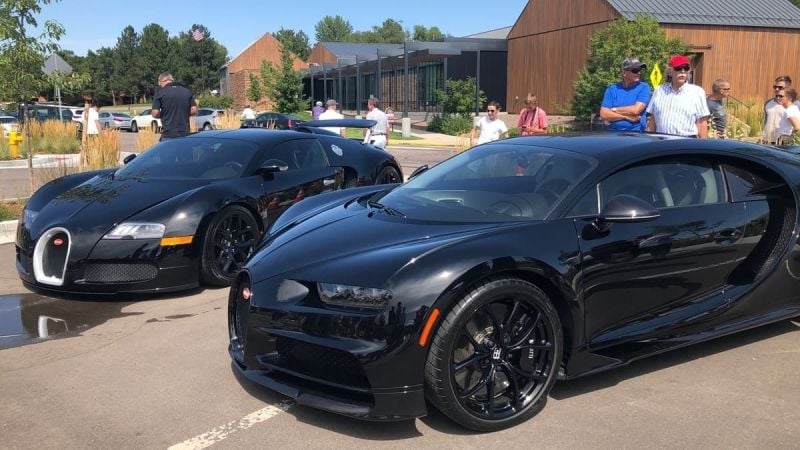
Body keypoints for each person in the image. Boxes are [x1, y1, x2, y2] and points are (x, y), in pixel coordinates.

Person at [646, 55, 710, 138]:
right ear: (670, 71)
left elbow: (702, 123)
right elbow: (652, 120)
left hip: (686, 142)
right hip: (661, 142)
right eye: (678, 68)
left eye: (686, 68)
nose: (682, 71)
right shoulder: (659, 90)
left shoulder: (697, 92)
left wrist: (703, 148)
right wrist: (648, 141)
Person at [599, 56, 651, 132]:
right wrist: (625, 117)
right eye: (635, 70)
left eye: (639, 70)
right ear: (624, 73)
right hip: (613, 134)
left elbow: (635, 110)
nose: (638, 73)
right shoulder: (611, 90)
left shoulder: (644, 87)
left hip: (636, 134)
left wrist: (613, 109)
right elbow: (603, 114)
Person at [151, 73, 197, 141]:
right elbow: (194, 110)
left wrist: (165, 114)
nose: (160, 86)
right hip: (185, 133)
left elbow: (155, 113)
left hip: (168, 134)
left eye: (160, 84)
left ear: (162, 81)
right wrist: (183, 113)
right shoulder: (186, 91)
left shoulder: (160, 93)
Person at [763, 75, 792, 144]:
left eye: (780, 87)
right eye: (775, 87)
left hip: (784, 143)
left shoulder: (792, 105)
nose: (776, 89)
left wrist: (791, 137)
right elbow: (765, 121)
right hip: (767, 141)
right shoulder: (768, 103)